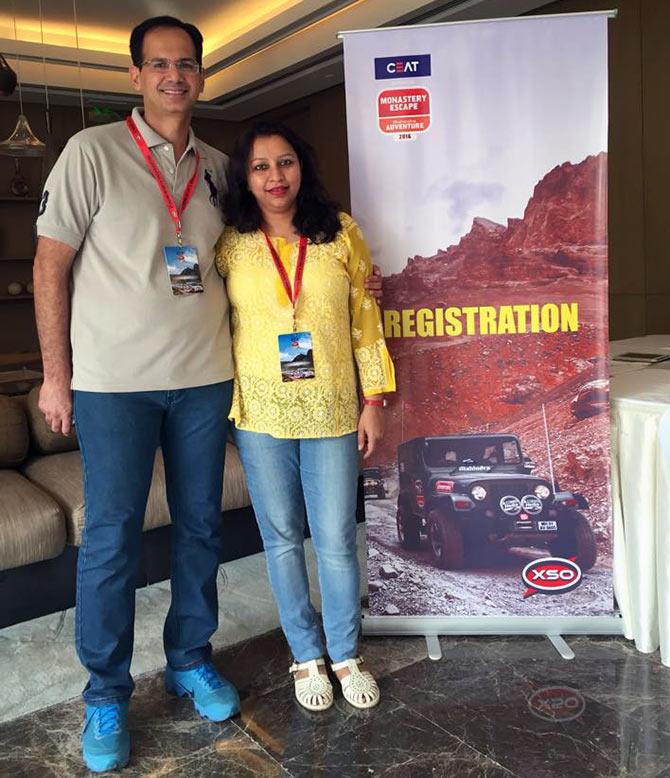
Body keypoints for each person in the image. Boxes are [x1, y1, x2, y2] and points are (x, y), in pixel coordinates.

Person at [33, 16, 240, 773]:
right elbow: (50, 266)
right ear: (135, 76)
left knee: (199, 529)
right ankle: (105, 694)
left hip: (203, 378)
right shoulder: (93, 152)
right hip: (114, 386)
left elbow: (236, 266)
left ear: (202, 75)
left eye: (186, 64)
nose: (174, 76)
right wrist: (56, 377)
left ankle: (189, 657)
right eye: (158, 64)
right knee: (113, 538)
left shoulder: (220, 166)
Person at [215, 122, 396, 711]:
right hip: (262, 411)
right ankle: (305, 655)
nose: (275, 177)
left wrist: (375, 400)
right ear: (246, 178)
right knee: (283, 538)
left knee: (338, 539)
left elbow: (366, 317)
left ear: (303, 168)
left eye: (285, 162)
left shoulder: (339, 233)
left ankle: (344, 653)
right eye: (261, 166)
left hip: (335, 407)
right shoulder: (231, 244)